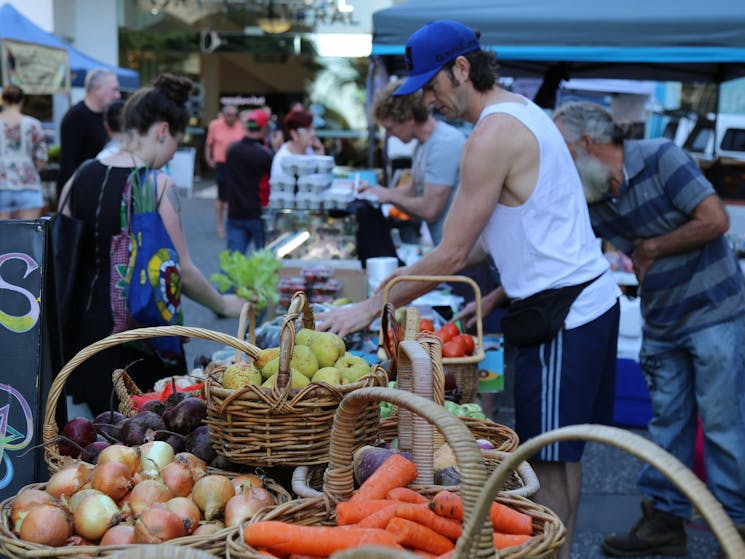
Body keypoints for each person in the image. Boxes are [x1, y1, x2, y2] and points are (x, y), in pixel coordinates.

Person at [316, 20, 621, 559]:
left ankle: (549, 552)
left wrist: (371, 305)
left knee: (547, 460)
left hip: (562, 315)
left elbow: (455, 252)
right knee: (562, 455)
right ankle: (562, 551)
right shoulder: (521, 115)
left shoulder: (491, 134)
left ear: (462, 68)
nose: (429, 102)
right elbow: (490, 239)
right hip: (584, 306)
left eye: (431, 87)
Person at [552, 101, 745, 557]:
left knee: (722, 426)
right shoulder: (594, 194)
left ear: (586, 142)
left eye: (562, 148)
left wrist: (651, 247)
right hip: (663, 319)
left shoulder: (660, 157)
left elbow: (715, 220)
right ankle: (664, 521)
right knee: (666, 425)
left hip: (714, 311)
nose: (557, 161)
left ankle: (735, 527)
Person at [59, 74, 247, 416]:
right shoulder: (157, 185)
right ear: (163, 131)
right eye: (176, 142)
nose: (172, 153)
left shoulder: (79, 177)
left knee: (89, 443)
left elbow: (61, 255)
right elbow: (183, 271)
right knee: (142, 440)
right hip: (142, 343)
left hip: (83, 340)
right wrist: (225, 304)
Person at [361, 79, 465, 246]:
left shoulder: (444, 144)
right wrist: (377, 191)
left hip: (464, 255)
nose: (389, 135)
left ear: (409, 118)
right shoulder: (423, 144)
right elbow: (414, 190)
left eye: (390, 127)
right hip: (449, 249)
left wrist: (387, 196)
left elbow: (430, 209)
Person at [57, 68, 120, 196]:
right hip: (82, 193)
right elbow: (68, 164)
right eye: (114, 89)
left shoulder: (109, 116)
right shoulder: (74, 117)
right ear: (97, 89)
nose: (118, 95)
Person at [223, 109, 273, 255]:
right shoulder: (264, 154)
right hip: (258, 214)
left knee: (233, 265)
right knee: (264, 263)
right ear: (264, 128)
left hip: (235, 213)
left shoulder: (232, 150)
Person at [0, 85, 48, 219]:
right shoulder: (33, 124)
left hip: (1, 184)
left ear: (3, 100)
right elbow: (42, 161)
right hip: (28, 183)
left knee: (2, 237)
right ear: (22, 101)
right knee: (27, 236)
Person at [205, 104, 245, 239]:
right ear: (223, 114)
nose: (231, 117)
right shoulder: (215, 125)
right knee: (222, 197)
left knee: (236, 195)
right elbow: (209, 144)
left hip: (238, 165)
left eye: (234, 114)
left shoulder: (242, 125)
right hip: (222, 164)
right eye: (229, 114)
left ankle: (233, 223)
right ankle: (219, 224)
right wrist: (209, 158)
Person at [270, 109, 324, 180]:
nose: (313, 133)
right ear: (294, 134)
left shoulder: (310, 151)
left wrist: (320, 157)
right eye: (307, 130)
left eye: (313, 129)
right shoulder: (283, 160)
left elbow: (320, 182)